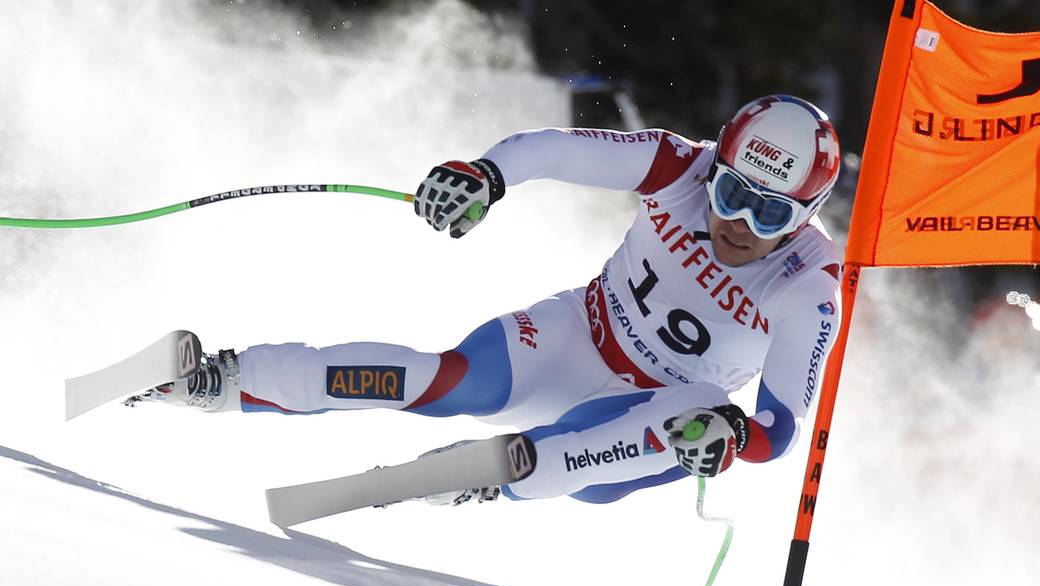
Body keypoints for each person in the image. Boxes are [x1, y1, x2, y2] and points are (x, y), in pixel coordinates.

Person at [142, 94, 843, 505]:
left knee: (694, 411)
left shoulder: (809, 289)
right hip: (578, 333)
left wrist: (729, 442)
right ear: (716, 167)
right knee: (449, 381)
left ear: (807, 214)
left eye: (770, 215)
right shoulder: (678, 165)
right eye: (730, 195)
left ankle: (489, 473)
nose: (737, 226)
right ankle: (226, 380)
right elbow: (552, 149)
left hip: (644, 419)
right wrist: (487, 175)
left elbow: (777, 431)